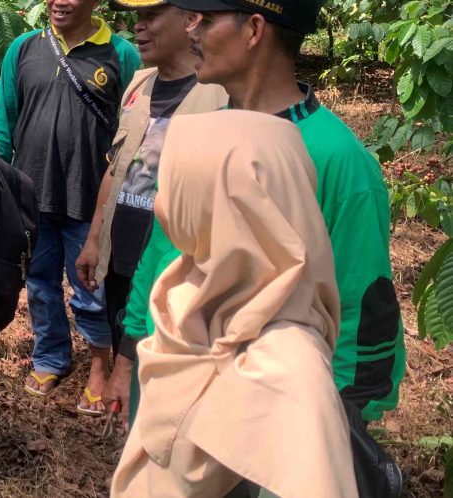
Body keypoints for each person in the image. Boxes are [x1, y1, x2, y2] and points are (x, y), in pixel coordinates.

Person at [121, 0, 405, 424]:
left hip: (264, 414)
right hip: (171, 384)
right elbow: (163, 249)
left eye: (207, 21)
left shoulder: (336, 159)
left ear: (254, 31)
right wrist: (131, 346)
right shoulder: (201, 133)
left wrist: (342, 417)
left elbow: (362, 299)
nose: (192, 32)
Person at [111, 109, 356, 498]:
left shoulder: (289, 375)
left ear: (226, 208)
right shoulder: (187, 294)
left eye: (177, 186)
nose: (158, 203)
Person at [72, 0, 228, 421]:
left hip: (178, 261)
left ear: (192, 20)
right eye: (134, 16)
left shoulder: (221, 96)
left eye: (152, 15)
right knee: (126, 330)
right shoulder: (139, 84)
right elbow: (115, 169)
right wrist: (95, 238)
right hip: (125, 247)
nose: (138, 27)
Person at [0, 0, 141, 412]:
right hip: (32, 193)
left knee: (91, 290)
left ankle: (99, 362)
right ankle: (51, 355)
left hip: (89, 197)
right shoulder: (23, 48)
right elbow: (5, 117)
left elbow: (135, 127)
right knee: (38, 282)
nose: (59, 1)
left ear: (95, 0)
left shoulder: (121, 55)